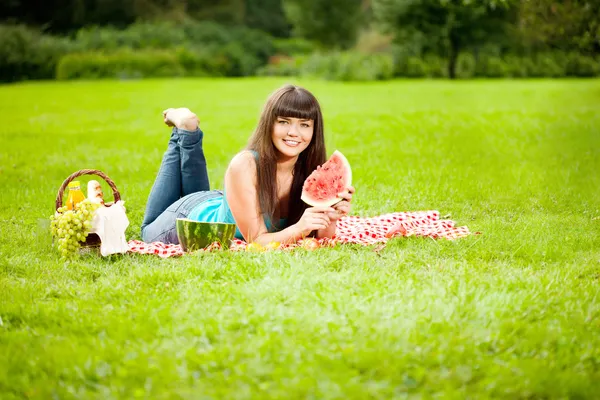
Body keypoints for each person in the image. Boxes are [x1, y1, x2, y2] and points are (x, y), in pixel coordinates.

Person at [141, 84, 355, 246]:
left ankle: (188, 131)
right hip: (185, 217)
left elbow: (320, 237)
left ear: (313, 131)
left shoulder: (310, 169)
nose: (294, 133)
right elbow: (257, 241)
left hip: (221, 203)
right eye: (283, 122)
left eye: (304, 125)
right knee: (146, 231)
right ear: (268, 124)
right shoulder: (246, 164)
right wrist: (299, 228)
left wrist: (331, 217)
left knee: (201, 194)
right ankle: (185, 130)